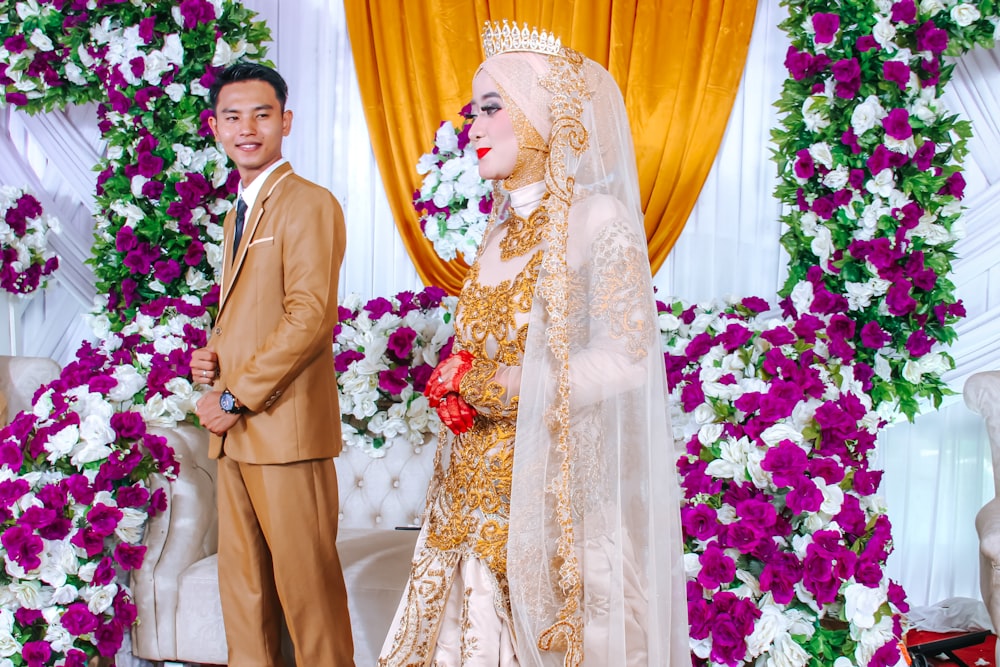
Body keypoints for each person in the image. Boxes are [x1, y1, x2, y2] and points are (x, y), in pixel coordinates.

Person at [379, 22, 688, 667]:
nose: (475, 126)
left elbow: (629, 356)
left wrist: (515, 384)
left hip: (550, 500)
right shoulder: (495, 234)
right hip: (465, 493)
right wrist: (457, 379)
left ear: (546, 114)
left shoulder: (595, 219)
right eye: (475, 111)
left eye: (493, 108)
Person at [191, 62, 354, 666]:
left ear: (285, 121)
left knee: (308, 598)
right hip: (235, 436)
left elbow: (310, 317)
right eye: (232, 117)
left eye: (262, 114)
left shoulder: (308, 203)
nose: (247, 128)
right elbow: (254, 311)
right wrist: (213, 358)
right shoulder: (240, 213)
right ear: (215, 128)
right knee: (246, 594)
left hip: (280, 430)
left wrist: (234, 399)